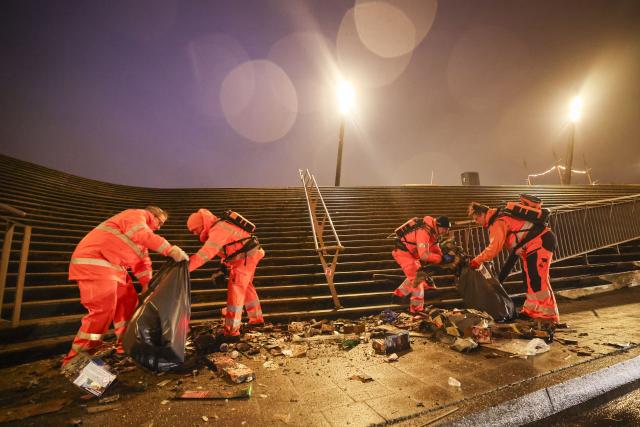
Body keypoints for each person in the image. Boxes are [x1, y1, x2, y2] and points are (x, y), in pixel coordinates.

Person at [63, 206, 188, 365]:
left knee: (129, 304)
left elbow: (143, 263)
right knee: (102, 311)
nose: (158, 227)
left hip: (113, 267)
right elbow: (142, 235)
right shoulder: (135, 215)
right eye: (160, 222)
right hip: (95, 262)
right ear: (153, 214)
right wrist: (170, 250)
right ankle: (76, 358)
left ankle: (126, 346)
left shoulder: (141, 239)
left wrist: (146, 285)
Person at [468, 196, 559, 323]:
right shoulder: (501, 217)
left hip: (540, 243)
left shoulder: (498, 221)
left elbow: (494, 247)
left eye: (476, 218)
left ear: (482, 214)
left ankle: (549, 315)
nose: (476, 221)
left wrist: (477, 260)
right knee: (530, 280)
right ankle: (531, 311)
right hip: (532, 246)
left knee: (538, 279)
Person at [186, 209, 265, 342]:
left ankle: (232, 332)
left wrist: (186, 268)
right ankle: (256, 320)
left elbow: (206, 253)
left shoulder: (218, 229)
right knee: (246, 288)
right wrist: (222, 267)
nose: (195, 233)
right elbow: (232, 247)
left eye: (195, 229)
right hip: (250, 254)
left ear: (201, 224)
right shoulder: (221, 225)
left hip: (245, 258)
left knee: (236, 291)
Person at [391, 215, 452, 312]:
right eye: (445, 229)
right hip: (403, 254)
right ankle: (416, 310)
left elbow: (434, 247)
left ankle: (398, 296)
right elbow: (423, 255)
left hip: (409, 254)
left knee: (414, 276)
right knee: (418, 279)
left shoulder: (432, 232)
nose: (446, 232)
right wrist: (440, 259)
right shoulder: (423, 232)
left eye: (447, 229)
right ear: (438, 225)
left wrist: (443, 256)